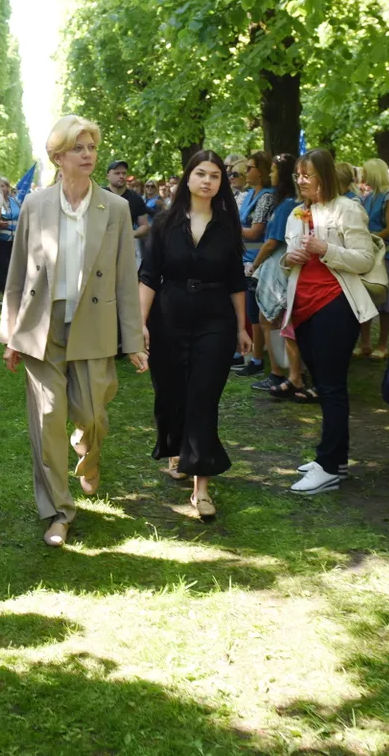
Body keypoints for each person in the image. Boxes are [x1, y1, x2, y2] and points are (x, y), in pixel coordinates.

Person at [1, 115, 146, 547]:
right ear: (58, 157)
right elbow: (17, 273)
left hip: (94, 323)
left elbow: (125, 277)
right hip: (42, 327)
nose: (88, 155)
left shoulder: (116, 209)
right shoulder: (35, 205)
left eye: (92, 148)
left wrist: (134, 341)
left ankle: (90, 450)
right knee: (47, 421)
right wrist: (11, 334)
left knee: (92, 415)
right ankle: (58, 513)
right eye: (78, 149)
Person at [139, 151, 248, 519]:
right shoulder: (164, 223)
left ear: (221, 183)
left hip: (214, 320)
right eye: (200, 173)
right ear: (187, 178)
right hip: (168, 318)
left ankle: (202, 487)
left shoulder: (227, 226)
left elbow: (236, 281)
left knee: (203, 397)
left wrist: (242, 326)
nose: (207, 181)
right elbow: (149, 276)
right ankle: (178, 451)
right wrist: (139, 323)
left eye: (215, 176)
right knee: (171, 393)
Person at [283, 150, 378, 495]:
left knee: (332, 386)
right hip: (303, 306)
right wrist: (288, 258)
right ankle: (334, 459)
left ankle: (328, 466)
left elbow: (365, 260)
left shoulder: (348, 208)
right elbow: (293, 257)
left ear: (324, 175)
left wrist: (326, 249)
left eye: (307, 175)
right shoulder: (298, 213)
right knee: (322, 385)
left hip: (336, 306)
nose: (301, 180)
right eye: (297, 174)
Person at [249, 153, 302, 396]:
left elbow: (272, 241)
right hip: (279, 267)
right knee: (272, 319)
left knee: (270, 318)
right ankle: (282, 371)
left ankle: (280, 373)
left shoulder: (288, 204)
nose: (270, 174)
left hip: (279, 269)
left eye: (273, 170)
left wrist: (254, 265)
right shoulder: (287, 202)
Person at [233, 151, 275, 378]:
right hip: (244, 259)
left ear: (262, 171)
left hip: (259, 262)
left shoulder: (267, 197)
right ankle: (248, 355)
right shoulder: (250, 194)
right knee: (249, 311)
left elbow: (256, 231)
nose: (246, 171)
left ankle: (258, 359)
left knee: (256, 312)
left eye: (250, 167)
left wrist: (228, 226)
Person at [358, 158, 389, 360]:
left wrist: (371, 238)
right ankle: (365, 342)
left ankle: (383, 344)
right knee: (365, 297)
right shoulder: (368, 197)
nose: (362, 176)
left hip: (388, 255)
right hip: (370, 252)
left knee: (386, 299)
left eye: (366, 172)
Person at [106, 158, 151, 259]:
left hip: (126, 249)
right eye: (117, 173)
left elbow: (144, 226)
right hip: (102, 248)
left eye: (124, 173)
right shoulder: (99, 195)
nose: (121, 176)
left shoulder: (135, 198)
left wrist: (131, 234)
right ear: (108, 176)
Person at [0, 175, 20, 310]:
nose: (3, 188)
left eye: (5, 186)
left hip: (13, 241)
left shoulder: (14, 201)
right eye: (0, 185)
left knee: (8, 269)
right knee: (4, 268)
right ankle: (5, 296)